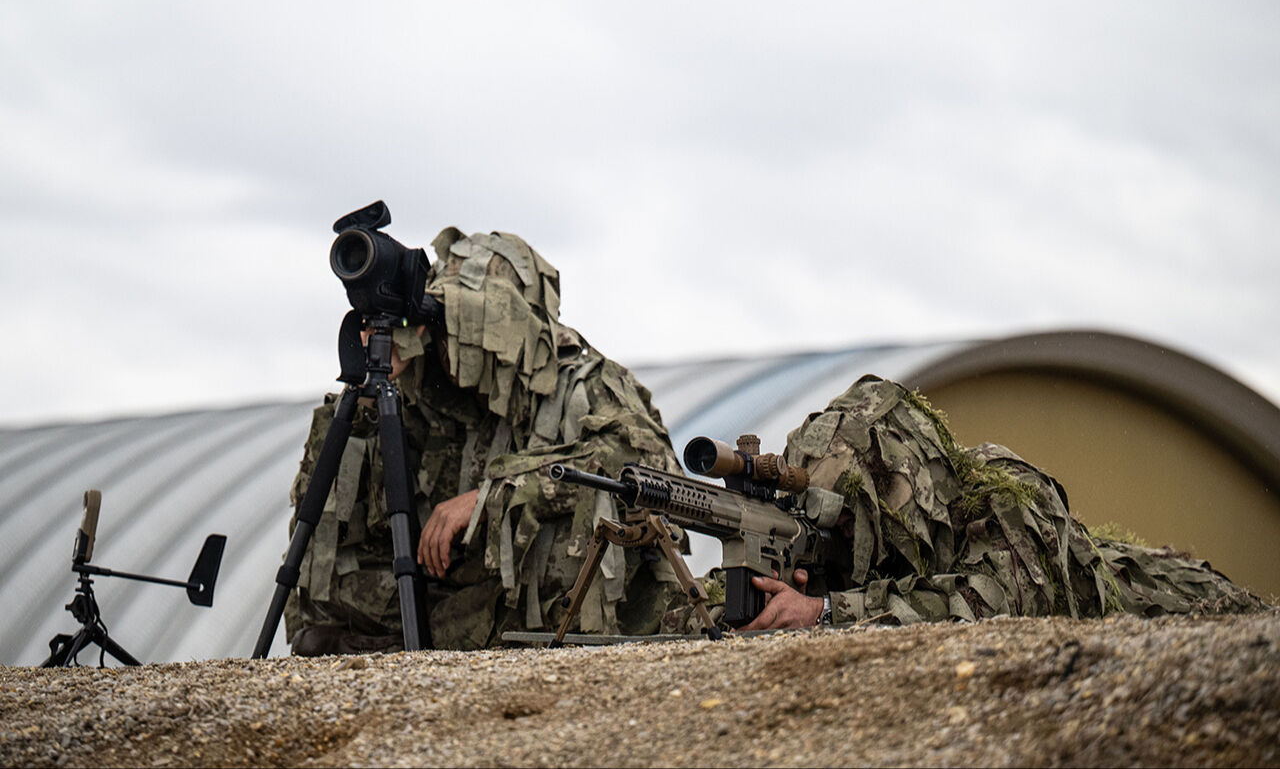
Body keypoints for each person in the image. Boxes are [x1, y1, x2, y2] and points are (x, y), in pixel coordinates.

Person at [284, 227, 686, 653]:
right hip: (457, 596)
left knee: (573, 531)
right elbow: (331, 511)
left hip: (552, 604)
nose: (458, 350)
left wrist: (490, 495)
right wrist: (366, 399)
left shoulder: (584, 384)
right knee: (334, 573)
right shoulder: (427, 392)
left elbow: (648, 466)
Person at [667, 375, 1265, 634]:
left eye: (854, 520)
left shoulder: (1005, 501)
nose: (845, 536)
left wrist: (825, 612)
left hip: (1164, 593)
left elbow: (990, 602)